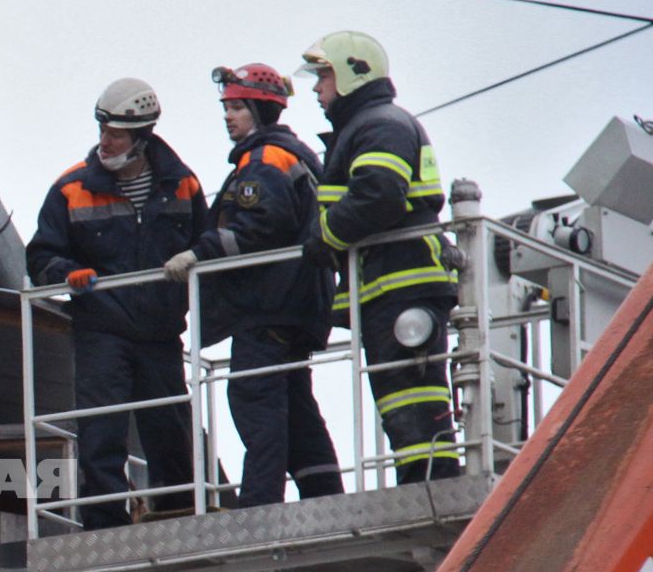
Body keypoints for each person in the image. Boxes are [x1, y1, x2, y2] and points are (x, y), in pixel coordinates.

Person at [161, 64, 344, 507]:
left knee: (254, 399)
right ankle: (325, 493)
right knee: (297, 408)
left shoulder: (263, 160)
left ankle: (259, 504)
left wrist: (199, 254)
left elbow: (261, 223)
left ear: (262, 112)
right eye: (226, 107)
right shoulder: (294, 154)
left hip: (270, 308)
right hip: (297, 306)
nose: (229, 116)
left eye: (238, 107)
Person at [28, 78, 207, 529]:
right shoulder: (71, 187)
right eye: (102, 129)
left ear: (142, 137)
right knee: (102, 428)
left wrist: (197, 260)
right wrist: (66, 274)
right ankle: (105, 521)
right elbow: (41, 255)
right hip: (102, 328)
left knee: (168, 427)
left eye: (117, 134)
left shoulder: (183, 185)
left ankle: (178, 514)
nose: (105, 140)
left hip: (161, 331)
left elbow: (205, 242)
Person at [296, 31, 461, 483]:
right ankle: (421, 473)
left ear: (352, 74)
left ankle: (431, 477)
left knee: (412, 389)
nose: (316, 88)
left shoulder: (379, 125)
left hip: (402, 278)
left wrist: (325, 235)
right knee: (398, 392)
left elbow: (379, 195)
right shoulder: (368, 125)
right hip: (391, 281)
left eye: (323, 77)